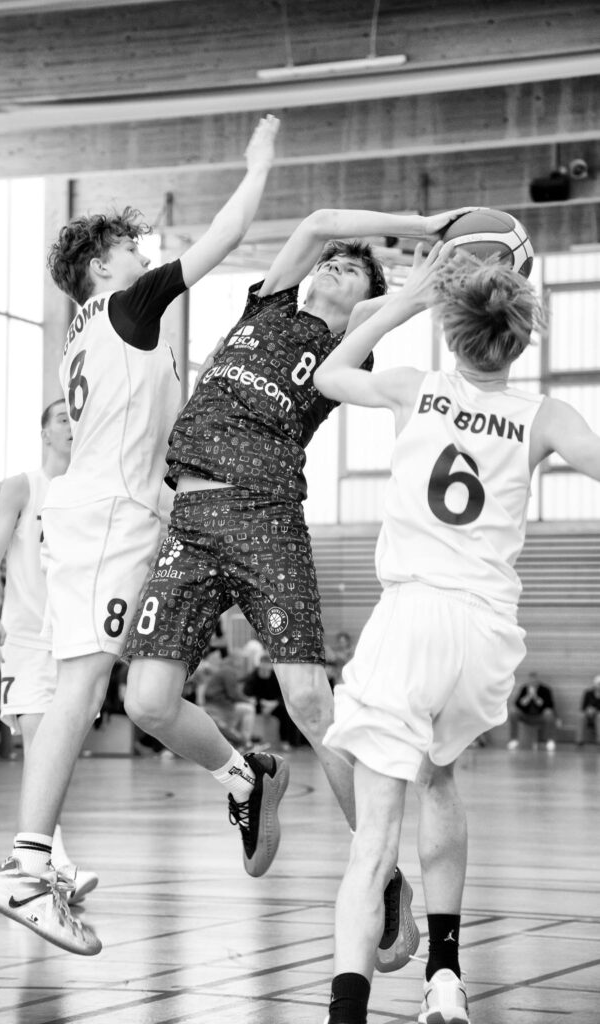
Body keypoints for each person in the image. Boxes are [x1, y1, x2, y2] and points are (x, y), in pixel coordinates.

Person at [123, 201, 469, 970]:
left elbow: (409, 299)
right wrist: (420, 221)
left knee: (310, 703)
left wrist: (431, 267)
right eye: (332, 261)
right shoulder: (271, 302)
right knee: (145, 702)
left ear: (367, 298)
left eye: (353, 269)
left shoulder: (348, 347)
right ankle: (246, 777)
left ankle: (381, 876)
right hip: (188, 518)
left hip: (265, 516)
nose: (335, 264)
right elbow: (313, 223)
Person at [0, 114, 281, 956]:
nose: (141, 253)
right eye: (127, 246)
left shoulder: (90, 335)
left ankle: (242, 776)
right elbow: (225, 236)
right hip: (109, 518)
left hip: (114, 515)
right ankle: (26, 868)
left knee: (126, 692)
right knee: (79, 691)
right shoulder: (125, 305)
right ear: (98, 267)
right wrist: (257, 165)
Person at [311, 240, 600, 1024]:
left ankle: (346, 1014)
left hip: (411, 617)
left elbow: (329, 375)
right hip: (484, 631)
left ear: (451, 329)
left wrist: (408, 298)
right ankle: (444, 977)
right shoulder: (547, 416)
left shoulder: (415, 386)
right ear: (521, 338)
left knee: (372, 839)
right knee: (437, 777)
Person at [0, 400, 97, 895]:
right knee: (38, 743)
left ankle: (40, 859)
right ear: (44, 432)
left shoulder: (88, 490)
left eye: (76, 418)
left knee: (59, 749)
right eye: (62, 419)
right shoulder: (23, 486)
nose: (71, 425)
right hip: (25, 636)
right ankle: (50, 861)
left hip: (73, 636)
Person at [194, 650, 257, 752]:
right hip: (219, 707)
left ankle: (242, 743)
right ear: (236, 660)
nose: (242, 663)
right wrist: (248, 700)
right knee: (249, 709)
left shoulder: (224, 670)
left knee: (244, 710)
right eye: (241, 660)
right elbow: (233, 694)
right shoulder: (228, 671)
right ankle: (246, 742)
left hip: (218, 705)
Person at [507, 671, 558, 751]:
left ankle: (550, 741)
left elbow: (549, 706)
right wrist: (528, 697)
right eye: (531, 681)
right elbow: (517, 704)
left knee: (549, 714)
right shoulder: (524, 689)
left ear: (537, 681)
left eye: (534, 681)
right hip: (526, 716)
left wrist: (535, 697)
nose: (532, 683)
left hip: (540, 716)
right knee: (513, 712)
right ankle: (514, 740)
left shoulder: (545, 690)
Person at [576, 673, 600, 746]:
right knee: (581, 716)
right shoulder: (588, 693)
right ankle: (579, 740)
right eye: (598, 684)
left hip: (598, 715)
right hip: (588, 715)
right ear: (594, 684)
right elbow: (583, 707)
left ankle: (599, 740)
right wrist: (588, 709)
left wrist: (595, 710)